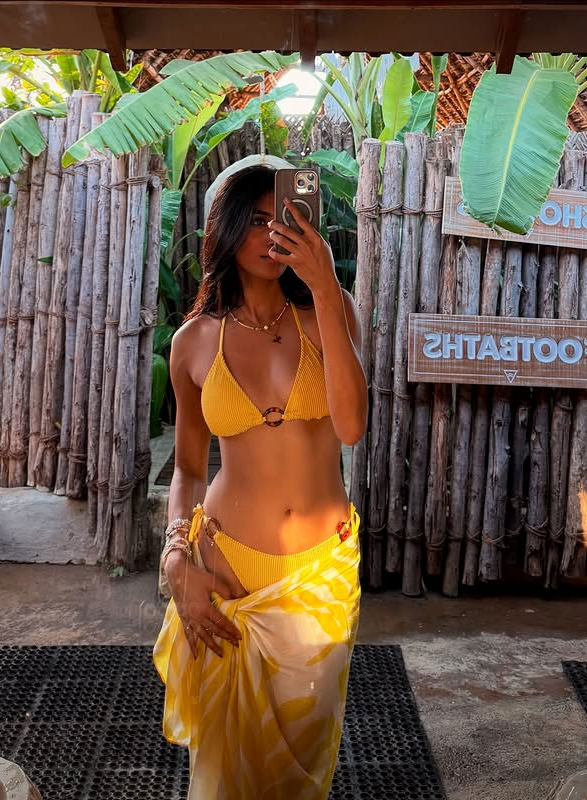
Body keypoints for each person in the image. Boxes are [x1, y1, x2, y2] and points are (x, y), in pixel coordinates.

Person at [153, 164, 368, 800]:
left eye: (286, 220)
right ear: (225, 231)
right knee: (227, 769)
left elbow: (352, 427)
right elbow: (190, 470)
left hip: (319, 577)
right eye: (256, 221)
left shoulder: (330, 313)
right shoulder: (194, 343)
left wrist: (324, 287)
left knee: (303, 758)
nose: (273, 236)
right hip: (226, 573)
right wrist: (175, 558)